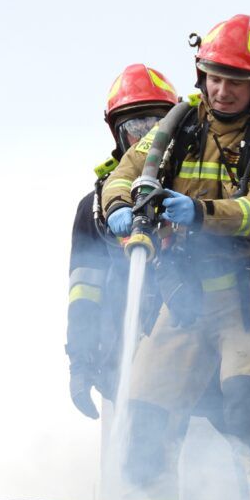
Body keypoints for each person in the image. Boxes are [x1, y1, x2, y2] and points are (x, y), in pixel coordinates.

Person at [102, 14, 250, 500]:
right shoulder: (178, 126)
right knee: (144, 416)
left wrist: (203, 214)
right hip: (183, 297)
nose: (222, 90)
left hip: (246, 294)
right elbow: (122, 176)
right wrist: (119, 207)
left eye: (236, 81)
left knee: (247, 403)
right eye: (214, 77)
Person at [66, 64, 178, 419]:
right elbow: (84, 291)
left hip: (187, 348)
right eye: (136, 127)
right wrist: (81, 364)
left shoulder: (191, 190)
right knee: (141, 459)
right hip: (124, 359)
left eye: (156, 126)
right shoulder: (95, 210)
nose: (147, 138)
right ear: (118, 135)